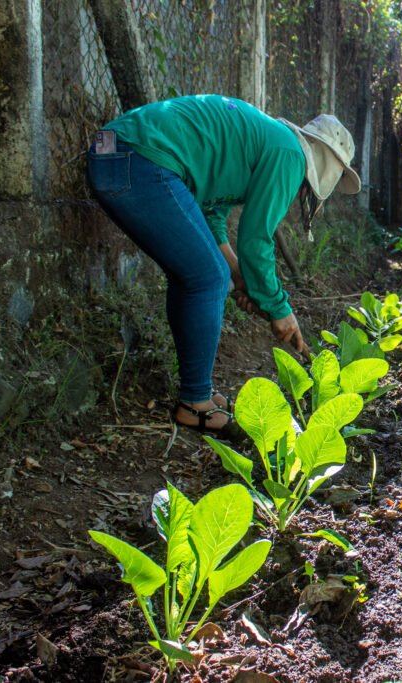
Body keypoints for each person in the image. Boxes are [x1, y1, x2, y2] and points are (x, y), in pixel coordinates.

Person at [87, 95, 360, 439]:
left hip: (113, 150)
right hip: (136, 158)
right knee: (207, 277)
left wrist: (239, 276)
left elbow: (211, 212)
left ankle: (197, 391)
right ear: (324, 162)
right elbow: (256, 238)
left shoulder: (267, 140)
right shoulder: (289, 154)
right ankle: (195, 403)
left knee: (204, 273)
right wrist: (278, 307)